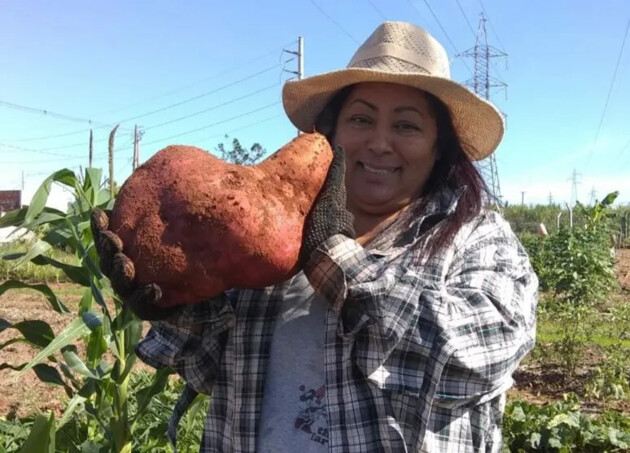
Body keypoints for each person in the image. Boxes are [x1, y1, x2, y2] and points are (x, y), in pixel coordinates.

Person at [92, 21, 538, 452]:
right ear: (332, 132)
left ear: (440, 147)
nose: (380, 143)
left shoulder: (477, 239)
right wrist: (177, 300)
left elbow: (470, 362)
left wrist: (332, 254)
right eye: (361, 120)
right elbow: (206, 365)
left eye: (407, 125)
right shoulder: (267, 241)